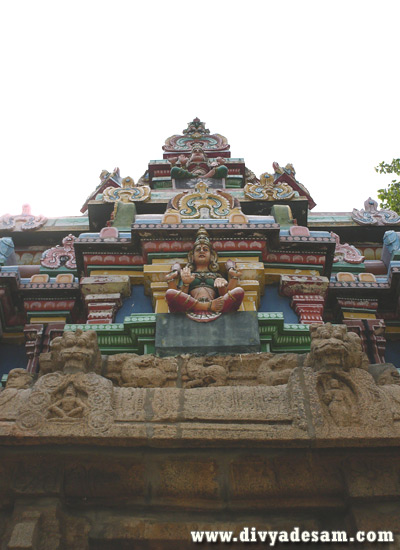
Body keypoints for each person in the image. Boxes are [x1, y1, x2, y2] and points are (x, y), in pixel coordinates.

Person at [165, 228, 244, 322]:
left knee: (239, 291)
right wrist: (185, 283)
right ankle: (205, 306)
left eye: (205, 249)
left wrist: (231, 279)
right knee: (170, 293)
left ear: (212, 256)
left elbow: (225, 296)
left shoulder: (216, 275)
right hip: (197, 305)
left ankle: (206, 306)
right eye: (198, 249)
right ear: (192, 256)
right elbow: (180, 295)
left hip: (216, 304)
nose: (201, 251)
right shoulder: (188, 274)